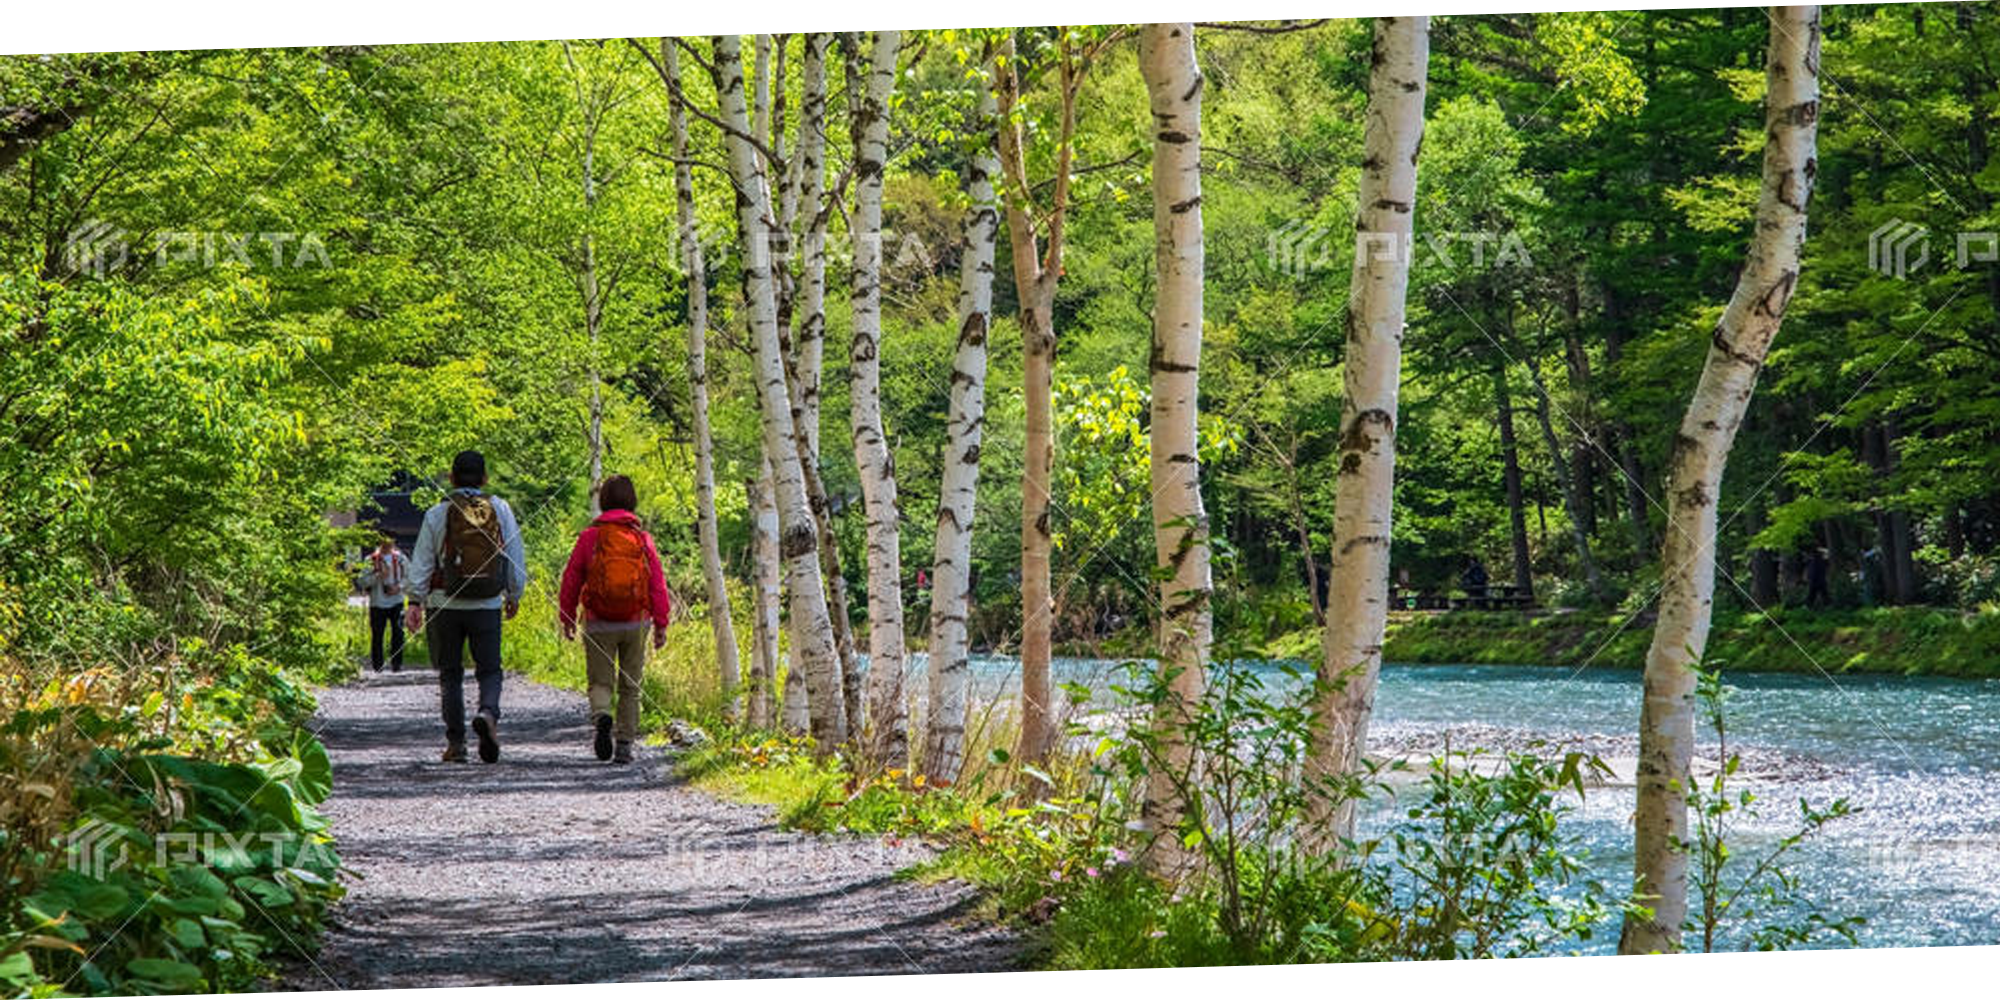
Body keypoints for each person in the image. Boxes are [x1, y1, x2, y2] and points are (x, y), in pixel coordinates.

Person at [405, 450, 527, 764]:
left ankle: (456, 744)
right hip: (486, 602)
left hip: (443, 604)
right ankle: (487, 714)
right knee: (490, 669)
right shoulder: (499, 508)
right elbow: (513, 553)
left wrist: (415, 601)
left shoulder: (437, 513)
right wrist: (514, 593)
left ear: (452, 477)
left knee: (450, 674)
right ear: (484, 478)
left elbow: (421, 562)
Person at [558, 475, 672, 765]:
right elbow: (657, 583)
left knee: (600, 680)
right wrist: (661, 622)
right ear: (632, 502)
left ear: (604, 501)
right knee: (631, 685)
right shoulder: (642, 538)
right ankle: (624, 745)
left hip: (598, 620)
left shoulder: (590, 537)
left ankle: (602, 717)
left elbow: (571, 578)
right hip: (637, 620)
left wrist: (567, 615)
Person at [356, 534, 409, 672]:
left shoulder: (401, 559)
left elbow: (409, 577)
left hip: (397, 600)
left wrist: (399, 587)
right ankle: (377, 665)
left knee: (398, 633)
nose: (387, 544)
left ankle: (397, 664)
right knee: (377, 634)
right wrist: (378, 577)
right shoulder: (370, 560)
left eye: (390, 541)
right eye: (384, 541)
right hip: (377, 602)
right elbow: (361, 581)